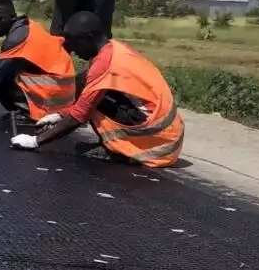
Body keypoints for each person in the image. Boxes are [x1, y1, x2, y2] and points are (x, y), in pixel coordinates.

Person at [10, 11, 184, 168]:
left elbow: (80, 115)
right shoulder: (114, 49)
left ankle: (120, 151)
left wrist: (35, 141)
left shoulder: (105, 66)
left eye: (74, 41)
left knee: (91, 94)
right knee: (86, 82)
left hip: (157, 144)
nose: (72, 50)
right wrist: (60, 115)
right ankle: (117, 147)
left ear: (89, 37)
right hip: (169, 136)